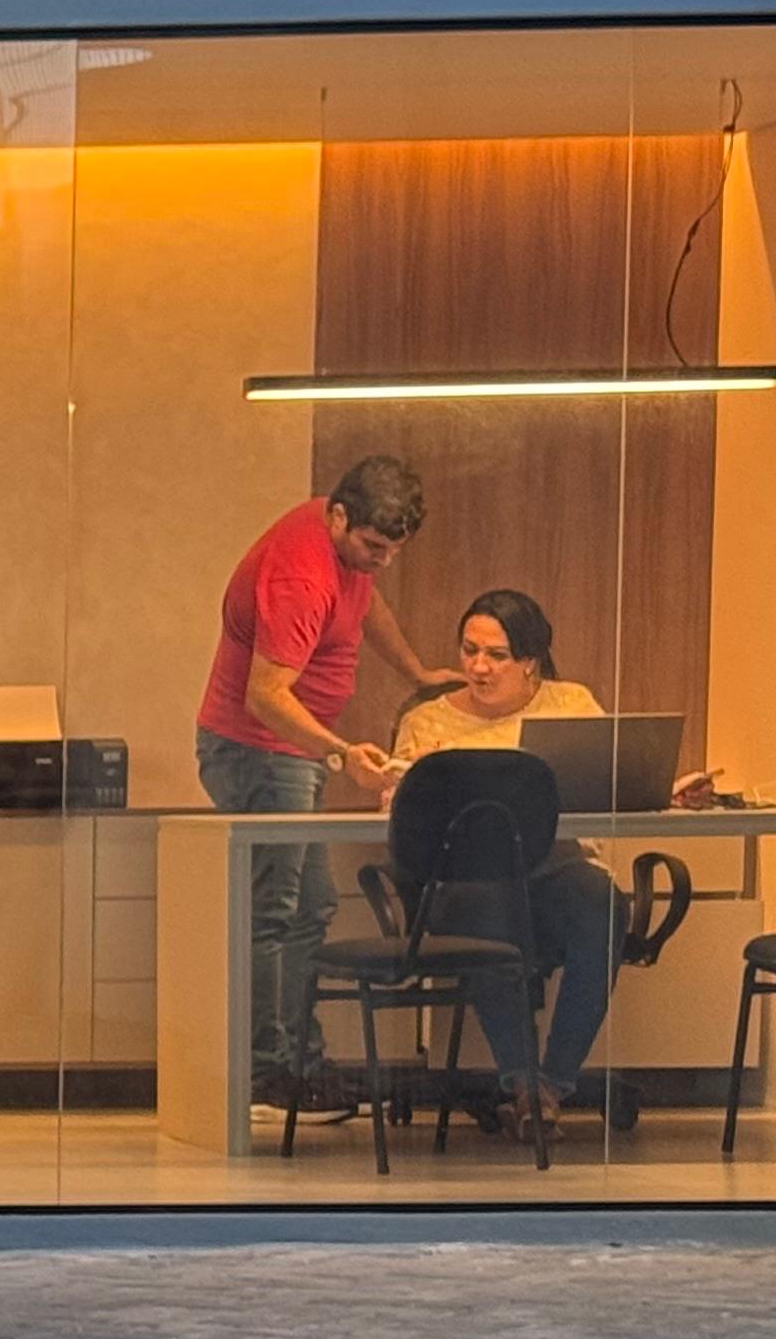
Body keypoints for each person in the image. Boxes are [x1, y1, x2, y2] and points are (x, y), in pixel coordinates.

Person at [375, 588, 678, 1127]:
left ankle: (553, 1081)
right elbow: (403, 818)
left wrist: (665, 791)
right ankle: (522, 1082)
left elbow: (607, 785)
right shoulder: (427, 722)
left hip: (556, 872)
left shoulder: (571, 706)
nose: (478, 667)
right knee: (488, 907)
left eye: (496, 655)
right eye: (470, 650)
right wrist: (397, 787)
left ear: (531, 662)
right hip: (465, 882)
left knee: (602, 901)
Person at [195, 455, 439, 1115]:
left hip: (291, 753)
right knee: (276, 913)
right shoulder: (301, 575)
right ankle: (266, 1075)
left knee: (310, 909)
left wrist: (417, 673)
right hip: (261, 751)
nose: (381, 561)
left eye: (393, 551)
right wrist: (341, 754)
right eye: (373, 547)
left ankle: (298, 1063)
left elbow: (366, 603)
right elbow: (265, 696)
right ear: (338, 517)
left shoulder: (341, 547)